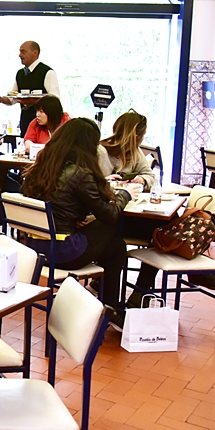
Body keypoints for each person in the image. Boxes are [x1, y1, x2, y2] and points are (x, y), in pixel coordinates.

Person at [21, 118, 137, 328]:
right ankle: (110, 307)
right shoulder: (80, 173)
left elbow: (57, 206)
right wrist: (126, 194)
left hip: (35, 248)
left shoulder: (41, 167)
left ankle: (109, 306)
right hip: (63, 251)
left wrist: (74, 219)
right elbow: (110, 214)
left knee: (115, 246)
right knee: (113, 228)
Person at [0, 40, 61, 134]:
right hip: (25, 124)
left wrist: (32, 101)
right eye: (20, 52)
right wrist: (1, 100)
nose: (20, 55)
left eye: (23, 52)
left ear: (35, 53)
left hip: (44, 127)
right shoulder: (20, 74)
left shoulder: (47, 72)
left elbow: (55, 100)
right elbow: (13, 98)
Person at [98, 111, 156, 191]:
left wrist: (143, 179)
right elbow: (90, 185)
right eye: (143, 135)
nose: (143, 139)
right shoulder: (101, 151)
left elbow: (150, 176)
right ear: (135, 136)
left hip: (125, 196)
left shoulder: (135, 152)